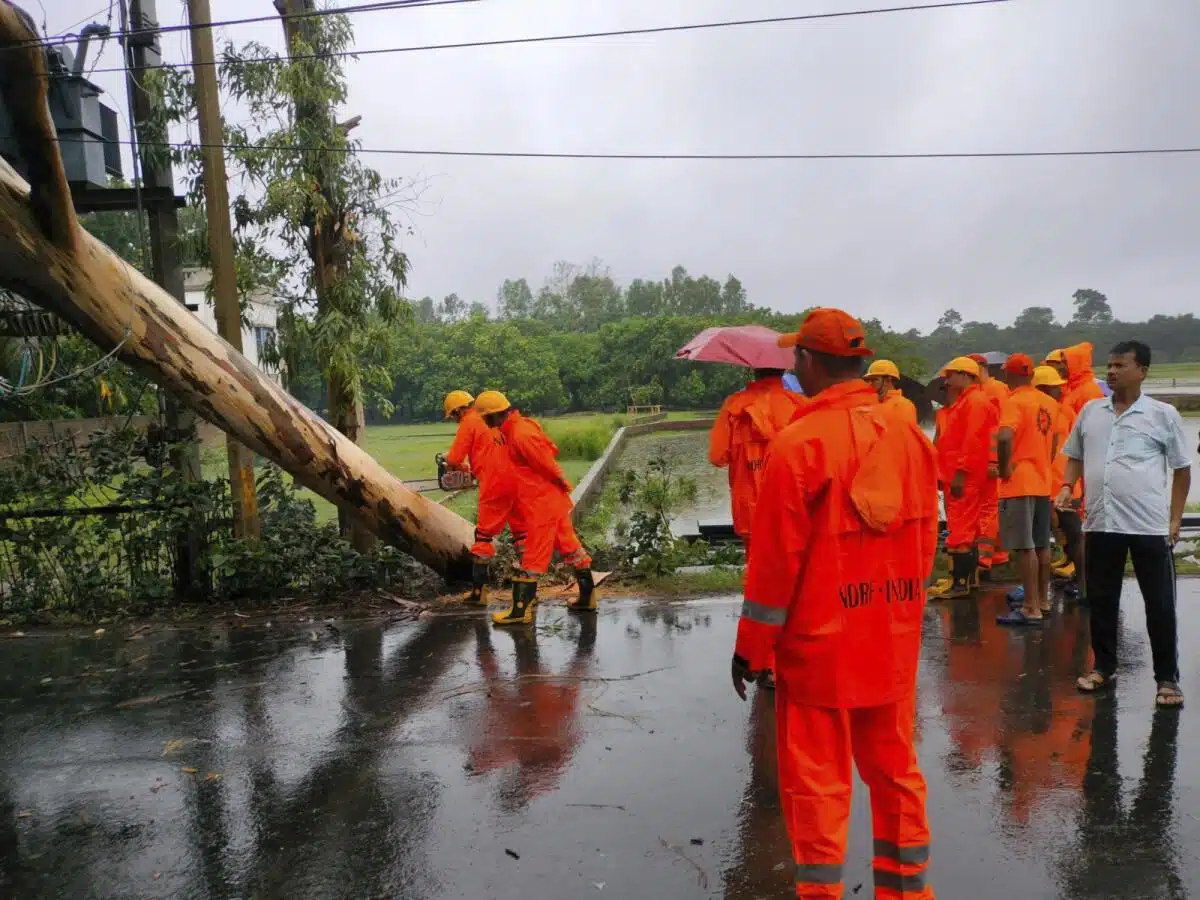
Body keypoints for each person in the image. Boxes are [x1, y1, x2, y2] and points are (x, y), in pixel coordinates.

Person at [731, 307, 940, 900]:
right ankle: (907, 892)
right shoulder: (910, 439)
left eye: (797, 355)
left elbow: (773, 568)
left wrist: (750, 651)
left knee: (819, 785)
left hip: (820, 650)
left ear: (808, 361)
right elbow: (926, 547)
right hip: (891, 641)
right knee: (897, 773)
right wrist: (901, 615)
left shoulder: (798, 446)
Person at [1059, 341, 1192, 708]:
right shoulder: (1090, 411)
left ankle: (1167, 678)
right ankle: (1103, 667)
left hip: (1148, 525)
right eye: (1110, 365)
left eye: (1120, 365)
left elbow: (1182, 469)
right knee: (1100, 600)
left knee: (1160, 604)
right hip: (1101, 522)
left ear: (1142, 371)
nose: (1112, 371)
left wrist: (1175, 518)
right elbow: (1074, 455)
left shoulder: (1162, 414)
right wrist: (1067, 486)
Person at [709, 368, 807, 689]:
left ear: (751, 369)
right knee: (797, 581)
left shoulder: (735, 406)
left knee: (760, 586)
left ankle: (764, 663)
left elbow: (717, 456)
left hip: (752, 511)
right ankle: (795, 658)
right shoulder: (799, 405)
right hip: (793, 509)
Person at [475, 390, 597, 625]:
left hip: (542, 504)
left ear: (492, 416)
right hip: (548, 502)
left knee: (533, 557)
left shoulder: (520, 434)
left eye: (485, 418)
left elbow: (546, 463)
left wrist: (562, 480)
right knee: (572, 549)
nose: (485, 424)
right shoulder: (513, 430)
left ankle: (520, 611)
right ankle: (587, 598)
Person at [993, 354, 1059, 626]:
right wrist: (1044, 464)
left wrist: (1004, 466)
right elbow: (1054, 442)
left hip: (1019, 481)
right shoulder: (1050, 403)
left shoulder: (1013, 401)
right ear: (1031, 374)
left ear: (1008, 375)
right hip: (1042, 480)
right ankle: (1042, 600)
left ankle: (1030, 607)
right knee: (1043, 543)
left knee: (1024, 547)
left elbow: (1006, 436)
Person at [443, 390, 523, 606]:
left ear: (459, 410)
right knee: (522, 536)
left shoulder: (469, 422)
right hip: (516, 479)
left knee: (483, 538)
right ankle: (528, 592)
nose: (455, 420)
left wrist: (448, 462)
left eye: (453, 415)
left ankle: (480, 592)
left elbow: (454, 458)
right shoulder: (492, 418)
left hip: (494, 483)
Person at [933, 357, 997, 598]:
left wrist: (960, 473)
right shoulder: (967, 402)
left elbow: (972, 443)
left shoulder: (975, 403)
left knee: (960, 528)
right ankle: (965, 581)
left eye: (950, 376)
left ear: (965, 375)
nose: (947, 380)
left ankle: (959, 584)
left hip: (965, 477)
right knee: (963, 527)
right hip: (960, 474)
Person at [1034, 366, 1084, 599]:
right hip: (1060, 482)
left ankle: (1083, 583)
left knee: (1073, 533)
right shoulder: (1058, 411)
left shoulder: (1057, 412)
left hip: (1062, 484)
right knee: (1066, 532)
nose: (1058, 390)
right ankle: (1078, 579)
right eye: (1055, 387)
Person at [968, 353, 1010, 572]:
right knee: (992, 508)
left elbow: (1001, 430)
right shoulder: (981, 391)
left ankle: (984, 559)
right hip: (982, 460)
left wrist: (995, 461)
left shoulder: (996, 390)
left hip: (991, 461)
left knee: (989, 509)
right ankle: (999, 553)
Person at [1046, 343, 1104, 417]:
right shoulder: (1071, 387)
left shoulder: (1090, 391)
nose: (1060, 366)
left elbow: (1094, 422)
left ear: (1076, 363)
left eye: (1064, 362)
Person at [865, 359, 918, 425]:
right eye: (868, 380)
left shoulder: (903, 405)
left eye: (874, 380)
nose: (869, 384)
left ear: (888, 380)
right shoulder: (874, 404)